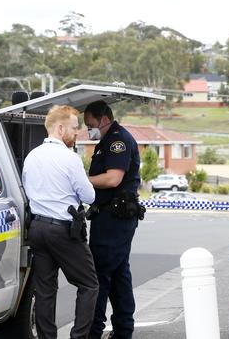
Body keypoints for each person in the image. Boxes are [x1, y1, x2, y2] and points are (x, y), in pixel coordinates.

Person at [22, 105, 98, 339]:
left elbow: (26, 188)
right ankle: (79, 337)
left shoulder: (31, 156)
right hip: (62, 230)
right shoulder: (69, 158)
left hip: (37, 228)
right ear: (61, 127)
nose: (77, 133)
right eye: (75, 128)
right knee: (89, 285)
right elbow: (89, 196)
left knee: (45, 290)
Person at [84, 100, 141, 339]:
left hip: (114, 217)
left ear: (104, 119)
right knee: (119, 275)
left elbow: (112, 179)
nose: (89, 130)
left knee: (100, 275)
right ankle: (123, 330)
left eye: (90, 125)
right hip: (110, 216)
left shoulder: (117, 141)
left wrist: (82, 180)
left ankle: (93, 331)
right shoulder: (106, 141)